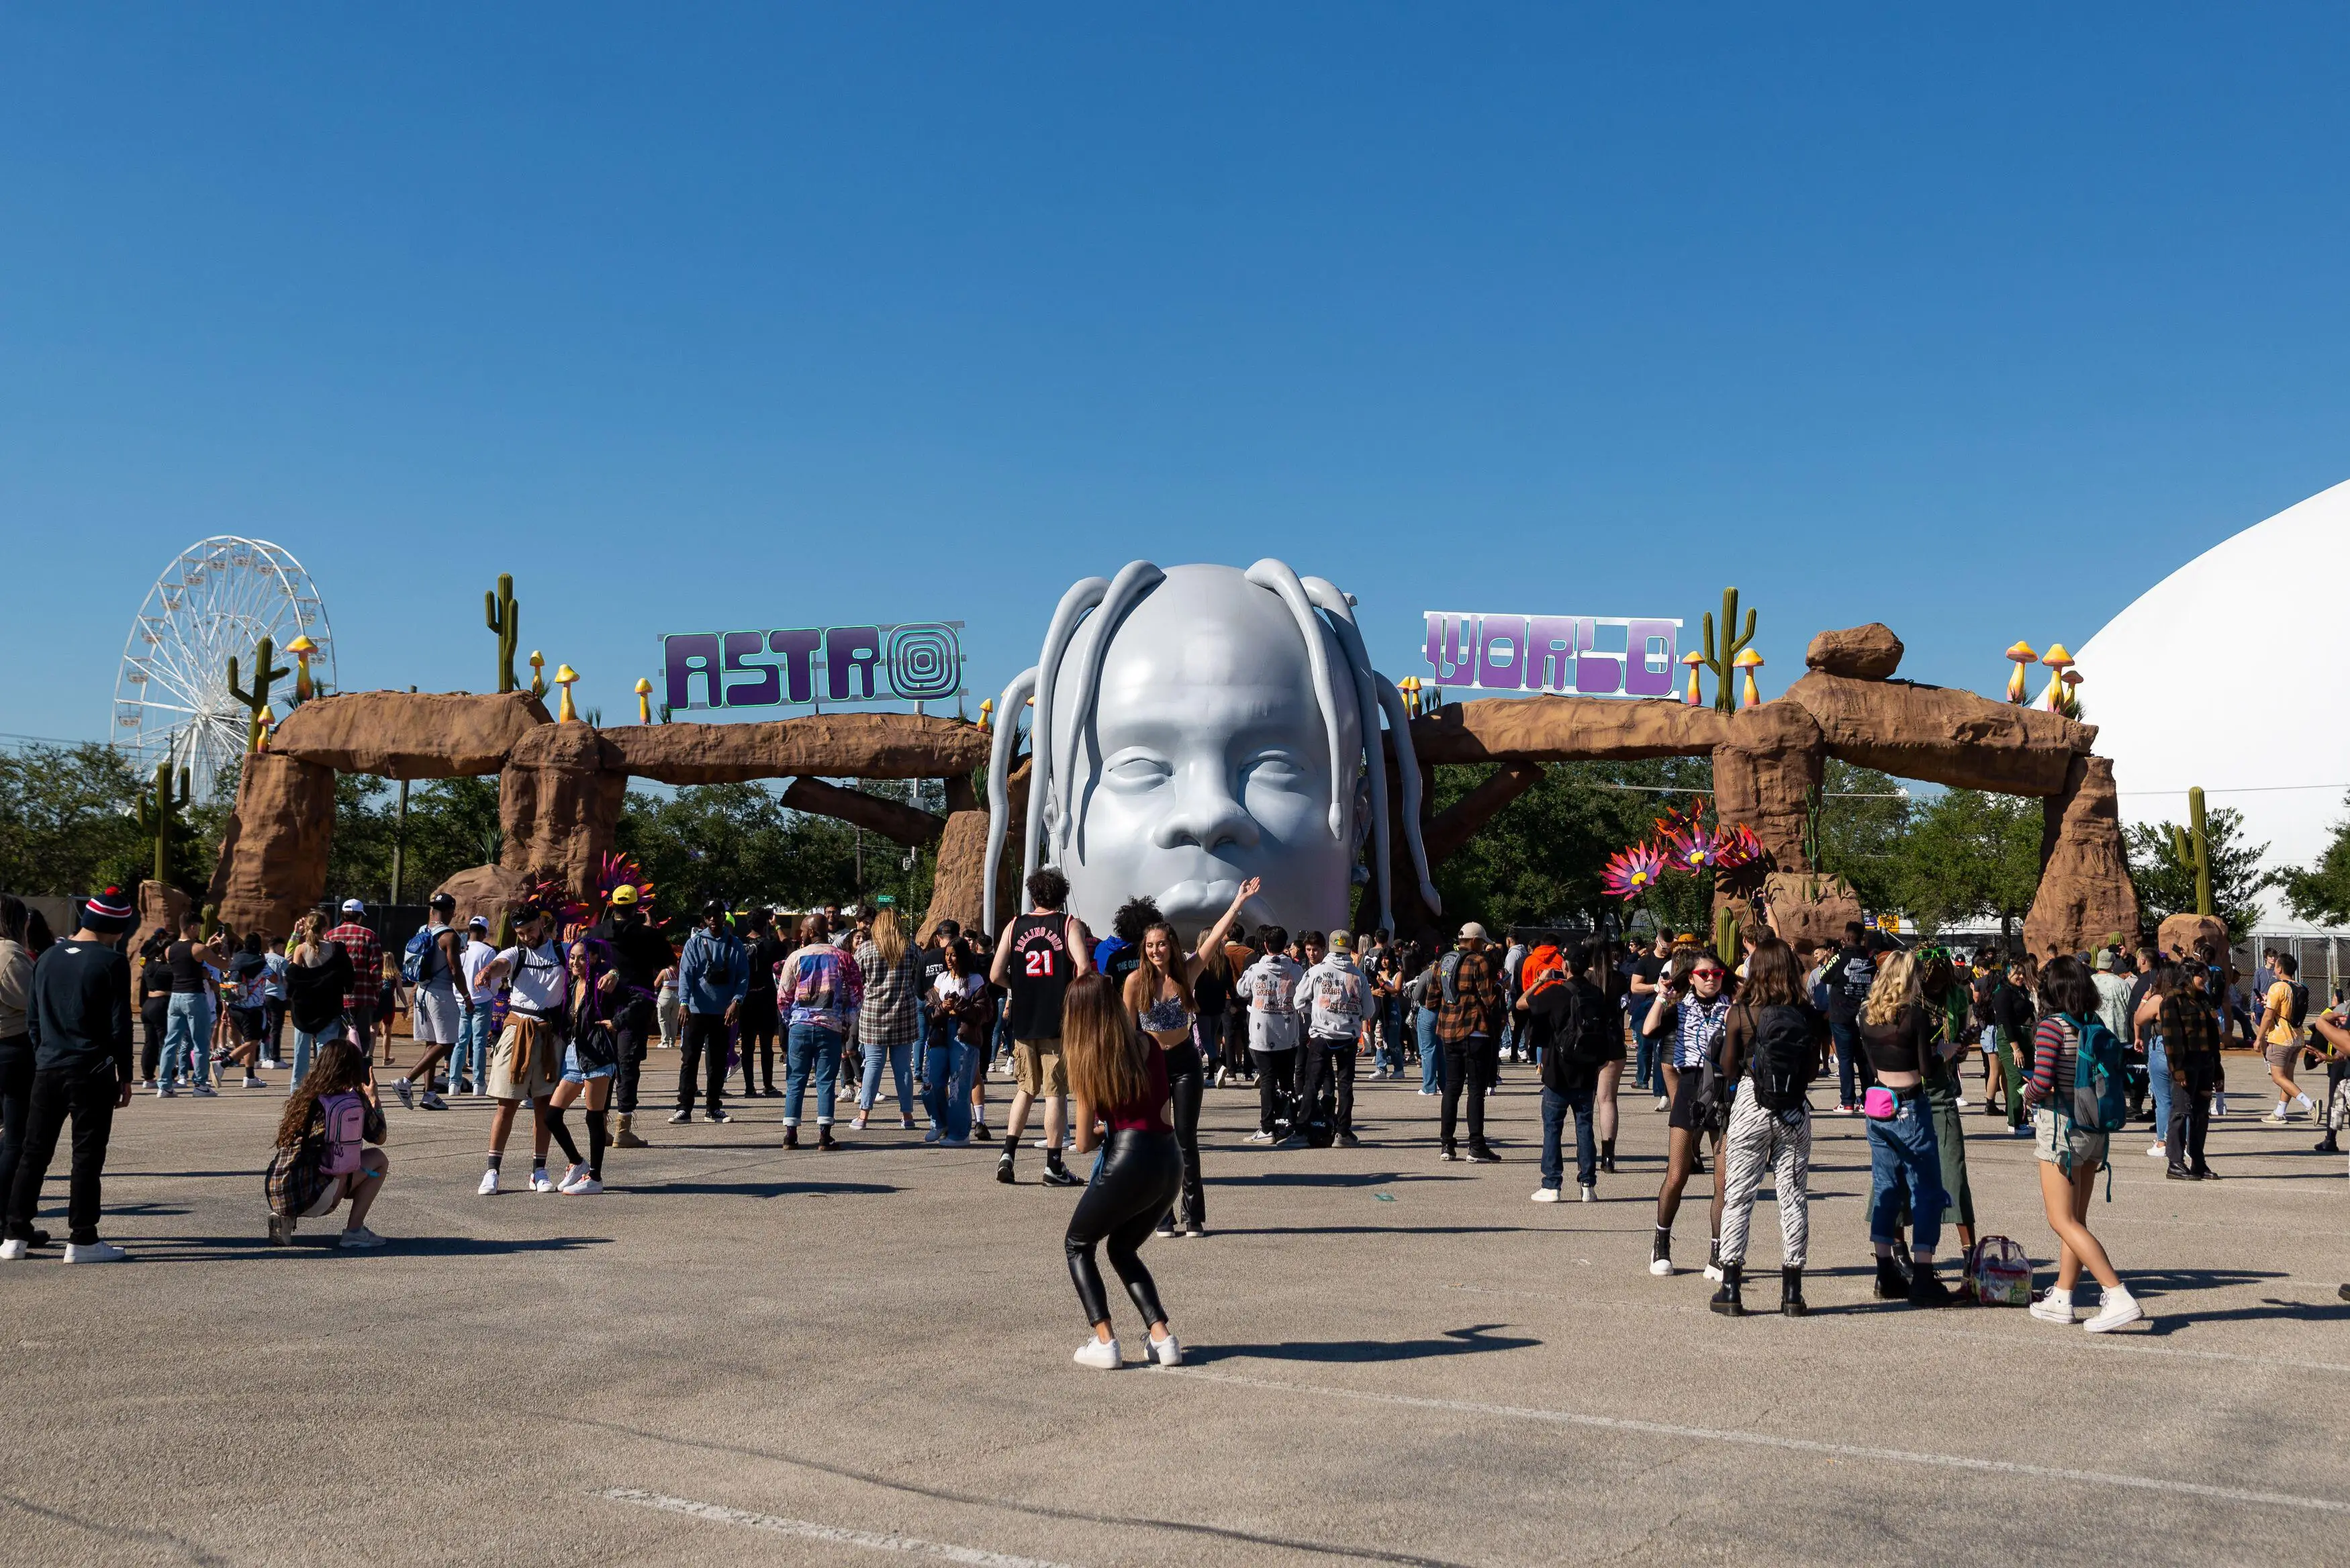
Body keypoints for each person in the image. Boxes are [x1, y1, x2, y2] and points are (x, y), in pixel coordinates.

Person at [1, 889, 137, 1263]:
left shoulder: (46, 957)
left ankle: (14, 1234)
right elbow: (120, 1024)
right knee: (86, 1156)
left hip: (47, 1066)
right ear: (115, 927)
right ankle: (83, 1238)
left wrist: (43, 1052)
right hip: (91, 1069)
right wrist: (125, 1074)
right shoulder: (111, 962)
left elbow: (33, 1019)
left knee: (33, 1153)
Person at [1060, 973, 1184, 1370]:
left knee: (1078, 1244)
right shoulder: (1148, 1043)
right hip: (1169, 1158)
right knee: (1122, 1248)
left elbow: (1083, 1143)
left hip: (1128, 1158)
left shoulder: (1088, 1059)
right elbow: (1158, 1110)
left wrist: (1107, 1129)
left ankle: (1105, 1341)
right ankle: (1162, 1338)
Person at [1125, 880, 1256, 1236]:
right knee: (1158, 1138)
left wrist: (1238, 902)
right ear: (1144, 949)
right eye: (1150, 946)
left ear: (1171, 945)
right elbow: (1127, 1031)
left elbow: (1216, 937)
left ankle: (1193, 1215)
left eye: (1161, 944)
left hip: (1185, 1063)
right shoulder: (1135, 982)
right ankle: (1162, 1214)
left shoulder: (1187, 972)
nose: (1156, 950)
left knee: (1185, 1139)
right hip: (1151, 1064)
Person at [2022, 954, 2145, 1332]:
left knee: (2061, 1219)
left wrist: (2026, 1094)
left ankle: (2116, 1293)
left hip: (2061, 1128)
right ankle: (2062, 1296)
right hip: (2094, 1129)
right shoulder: (2094, 1023)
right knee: (2076, 1219)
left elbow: (2043, 1082)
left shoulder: (2051, 1028)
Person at [1710, 938, 1824, 1316]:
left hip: (1751, 1103)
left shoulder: (1741, 1012)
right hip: (1793, 1108)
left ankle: (1731, 1287)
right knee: (1793, 1196)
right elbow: (1812, 1071)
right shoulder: (1808, 1013)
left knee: (1739, 1196)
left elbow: (1728, 1069)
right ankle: (1792, 1290)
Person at [1857, 950, 1953, 1306]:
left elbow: (1872, 1065)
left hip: (1879, 1104)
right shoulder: (1915, 1015)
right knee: (1925, 1191)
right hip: (1909, 1106)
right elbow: (1926, 1069)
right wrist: (1945, 1052)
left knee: (1886, 1188)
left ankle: (1885, 1272)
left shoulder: (1866, 1015)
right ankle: (1924, 1275)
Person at [989, 869, 1092, 1185]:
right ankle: (1053, 1165)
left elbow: (995, 975)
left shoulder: (1014, 926)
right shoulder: (1068, 924)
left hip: (1025, 1019)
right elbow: (1083, 967)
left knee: (1025, 1088)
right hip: (1057, 1020)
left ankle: (1008, 1154)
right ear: (1061, 896)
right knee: (1055, 1092)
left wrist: (1019, 986)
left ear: (1033, 895)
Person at [469, 901, 571, 1195]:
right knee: (507, 1104)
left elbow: (590, 966)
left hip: (549, 1034)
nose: (526, 937)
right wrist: (488, 970)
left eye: (530, 930)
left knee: (544, 1106)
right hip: (517, 1031)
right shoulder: (517, 953)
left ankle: (539, 1170)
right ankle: (492, 1171)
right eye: (520, 933)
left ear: (541, 923)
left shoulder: (563, 952)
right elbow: (501, 964)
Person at [1643, 948, 1732, 1278]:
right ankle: (1661, 1244)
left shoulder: (1732, 1007)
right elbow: (1648, 1030)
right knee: (1677, 1174)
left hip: (1724, 1090)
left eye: (1717, 974)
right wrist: (1661, 997)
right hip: (1691, 1087)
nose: (1711, 979)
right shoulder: (1679, 1008)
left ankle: (1718, 1253)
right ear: (1691, 978)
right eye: (1704, 974)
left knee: (1724, 1181)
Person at [267, 1039, 390, 1246]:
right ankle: (354, 1231)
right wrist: (374, 1100)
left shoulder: (304, 1096)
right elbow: (380, 1137)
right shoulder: (352, 1100)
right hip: (318, 1196)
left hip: (280, 1189)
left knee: (314, 1156)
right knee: (378, 1160)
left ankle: (286, 1218)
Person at [1524, 942, 1610, 1204]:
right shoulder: (1597, 994)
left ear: (1565, 966)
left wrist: (1541, 982)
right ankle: (1588, 1185)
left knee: (1553, 1127)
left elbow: (1523, 1004)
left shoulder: (1556, 992)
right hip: (1587, 1068)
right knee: (1585, 1126)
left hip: (1558, 1069)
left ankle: (1552, 1184)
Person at [590, 881, 672, 1148]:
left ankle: (600, 1127)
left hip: (602, 1008)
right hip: (635, 1007)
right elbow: (667, 961)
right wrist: (652, 930)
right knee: (628, 1066)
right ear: (637, 907)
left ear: (613, 905)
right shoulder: (648, 935)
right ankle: (623, 1129)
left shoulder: (597, 933)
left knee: (604, 1066)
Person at [778, 912, 861, 1149]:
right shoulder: (843, 958)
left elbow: (783, 996)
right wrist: (846, 1023)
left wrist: (792, 1021)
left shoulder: (796, 957)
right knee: (826, 1081)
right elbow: (857, 995)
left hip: (801, 1026)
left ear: (812, 932)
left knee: (796, 1080)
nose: (801, 935)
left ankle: (790, 1134)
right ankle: (825, 1135)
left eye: (803, 931)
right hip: (830, 1027)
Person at [391, 892, 469, 1112]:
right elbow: (455, 969)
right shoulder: (449, 936)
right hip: (440, 994)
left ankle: (429, 1094)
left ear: (432, 910)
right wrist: (467, 996)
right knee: (448, 1043)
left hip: (421, 992)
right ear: (451, 912)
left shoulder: (422, 931)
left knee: (432, 1043)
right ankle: (406, 1081)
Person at [1435, 923, 1506, 1163]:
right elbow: (1489, 999)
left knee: (1452, 1088)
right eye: (1482, 942)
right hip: (1475, 1031)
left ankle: (1447, 1144)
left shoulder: (1444, 961)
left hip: (1448, 1030)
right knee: (1476, 1090)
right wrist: (1500, 987)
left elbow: (1431, 999)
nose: (1484, 947)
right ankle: (1476, 1146)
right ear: (1474, 941)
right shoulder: (1479, 962)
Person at [672, 900, 747, 1126]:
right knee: (689, 1059)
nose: (713, 919)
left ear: (724, 917)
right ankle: (684, 1108)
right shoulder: (694, 943)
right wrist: (683, 1003)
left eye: (717, 914)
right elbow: (686, 975)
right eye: (708, 915)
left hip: (723, 1012)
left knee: (717, 1062)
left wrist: (737, 1001)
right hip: (696, 1010)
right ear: (704, 919)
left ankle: (713, 1107)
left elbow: (743, 977)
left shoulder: (735, 944)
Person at [852, 907, 923, 1132]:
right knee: (903, 1067)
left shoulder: (865, 949)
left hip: (873, 1015)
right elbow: (918, 978)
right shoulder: (910, 948)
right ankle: (908, 1116)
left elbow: (855, 981)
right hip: (904, 1013)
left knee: (873, 1065)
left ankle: (863, 1116)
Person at [2149, 963, 2221, 1179]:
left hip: (2206, 1064)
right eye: (2201, 975)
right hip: (2185, 1064)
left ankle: (2198, 1162)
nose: (2205, 979)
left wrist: (2217, 1070)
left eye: (2206, 975)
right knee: (2181, 1112)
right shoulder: (2173, 1000)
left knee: (2201, 1115)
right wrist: (2177, 1069)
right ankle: (2175, 1163)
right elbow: (2172, 1038)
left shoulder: (2204, 999)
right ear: (2189, 976)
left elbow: (2213, 1038)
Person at [1295, 929, 1366, 1148]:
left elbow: (1299, 1001)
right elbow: (1369, 1010)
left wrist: (1316, 1010)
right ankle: (1343, 1132)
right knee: (1345, 1085)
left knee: (1312, 1083)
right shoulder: (1358, 975)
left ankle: (1301, 1130)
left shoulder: (1316, 972)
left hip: (1321, 1034)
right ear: (1349, 948)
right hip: (1348, 1036)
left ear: (1329, 948)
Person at [1237, 924, 1303, 1144]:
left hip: (1262, 1033)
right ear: (1285, 946)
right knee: (1287, 1081)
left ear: (1265, 945)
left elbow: (1241, 990)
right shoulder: (1296, 971)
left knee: (1267, 1080)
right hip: (1288, 1034)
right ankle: (1288, 1125)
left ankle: (1267, 1128)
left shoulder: (1256, 970)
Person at [925, 928, 988, 1145]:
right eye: (947, 955)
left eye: (953, 955)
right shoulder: (941, 979)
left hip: (964, 1037)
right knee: (932, 1082)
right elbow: (929, 1009)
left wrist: (961, 1005)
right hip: (941, 1035)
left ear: (962, 956)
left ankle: (960, 1134)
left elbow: (985, 1012)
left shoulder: (975, 980)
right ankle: (940, 1122)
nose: (949, 959)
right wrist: (942, 1007)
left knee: (959, 1087)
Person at [0, 897, 36, 1247]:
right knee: (16, 1140)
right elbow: (32, 1000)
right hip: (12, 1048)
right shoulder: (10, 954)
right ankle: (8, 1219)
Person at [285, 914, 356, 1087]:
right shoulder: (337, 949)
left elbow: (292, 974)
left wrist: (296, 934)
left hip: (304, 1009)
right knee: (327, 1053)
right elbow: (349, 977)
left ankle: (297, 1091)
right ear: (325, 929)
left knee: (301, 1054)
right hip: (329, 1007)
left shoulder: (301, 949)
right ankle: (324, 1088)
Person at [1820, 922, 1877, 1115]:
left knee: (1845, 1059)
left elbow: (1824, 976)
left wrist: (1832, 959)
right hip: (1864, 1015)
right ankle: (1868, 1099)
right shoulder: (1870, 959)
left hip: (1841, 1014)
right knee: (1864, 1058)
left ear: (1846, 938)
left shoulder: (1840, 957)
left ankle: (1847, 1101)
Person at [158, 916, 218, 1098]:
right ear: (192, 927)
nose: (199, 931)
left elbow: (186, 964)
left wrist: (206, 947)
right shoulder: (198, 948)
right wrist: (220, 948)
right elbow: (224, 964)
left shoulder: (169, 949)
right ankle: (200, 1084)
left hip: (176, 997)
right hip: (194, 996)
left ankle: (165, 1085)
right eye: (198, 927)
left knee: (171, 1042)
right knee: (200, 1042)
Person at [2258, 951, 2314, 1124]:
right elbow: (2287, 1008)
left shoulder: (2278, 987)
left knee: (2278, 1077)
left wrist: (2259, 1038)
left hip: (2280, 1039)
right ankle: (2279, 1112)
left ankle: (2309, 1104)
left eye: (2276, 966)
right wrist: (2268, 1001)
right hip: (2297, 1038)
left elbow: (2268, 1016)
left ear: (2280, 969)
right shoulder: (2301, 987)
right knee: (2287, 1078)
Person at [322, 900, 382, 1052]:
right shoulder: (369, 936)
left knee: (337, 1039)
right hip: (363, 997)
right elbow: (376, 969)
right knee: (361, 1039)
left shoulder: (329, 936)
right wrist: (376, 990)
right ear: (359, 916)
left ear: (343, 915)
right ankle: (359, 1066)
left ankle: (337, 1066)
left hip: (336, 998)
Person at [739, 908, 786, 1100]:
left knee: (747, 1046)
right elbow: (787, 945)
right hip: (766, 998)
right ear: (765, 923)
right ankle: (768, 1085)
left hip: (745, 998)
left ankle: (749, 1087)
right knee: (766, 1046)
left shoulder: (739, 945)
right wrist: (777, 925)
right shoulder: (769, 945)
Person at [451, 915, 497, 1096]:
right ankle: (479, 1083)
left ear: (470, 930)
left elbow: (454, 973)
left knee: (460, 1042)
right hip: (482, 999)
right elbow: (494, 978)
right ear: (485, 933)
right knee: (479, 1042)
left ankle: (454, 1082)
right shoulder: (488, 951)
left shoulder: (461, 950)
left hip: (461, 1000)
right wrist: (491, 993)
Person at [224, 932, 272, 1088]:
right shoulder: (260, 963)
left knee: (249, 1041)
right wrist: (264, 960)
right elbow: (275, 979)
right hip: (253, 1010)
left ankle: (250, 1077)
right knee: (253, 1042)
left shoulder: (236, 959)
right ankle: (223, 1063)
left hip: (234, 1006)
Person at [136, 932, 170, 1088]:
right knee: (165, 1042)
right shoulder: (167, 968)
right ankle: (167, 1076)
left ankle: (148, 1078)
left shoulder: (148, 966)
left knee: (150, 1043)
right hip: (161, 1004)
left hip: (148, 1004)